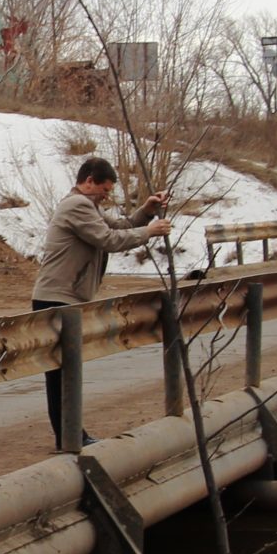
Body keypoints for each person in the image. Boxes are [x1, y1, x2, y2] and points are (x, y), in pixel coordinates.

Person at [30, 156, 171, 447]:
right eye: (104, 190)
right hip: (56, 299)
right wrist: (149, 232)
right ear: (88, 181)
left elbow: (121, 225)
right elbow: (110, 240)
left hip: (65, 298)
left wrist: (146, 211)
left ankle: (70, 434)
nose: (106, 196)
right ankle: (69, 436)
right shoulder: (77, 206)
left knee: (66, 370)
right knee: (61, 372)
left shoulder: (88, 205)